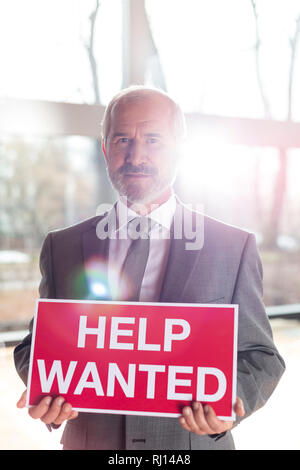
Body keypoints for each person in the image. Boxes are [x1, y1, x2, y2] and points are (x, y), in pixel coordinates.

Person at [14, 86, 285, 450]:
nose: (135, 155)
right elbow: (35, 347)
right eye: (122, 139)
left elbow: (262, 356)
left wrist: (228, 403)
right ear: (106, 149)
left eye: (154, 140)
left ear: (180, 151)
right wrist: (45, 389)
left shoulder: (232, 248)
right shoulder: (61, 247)